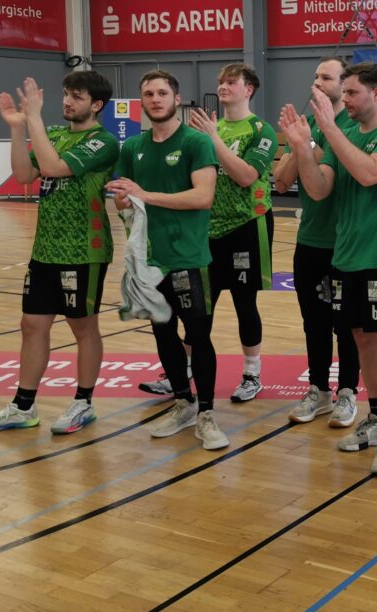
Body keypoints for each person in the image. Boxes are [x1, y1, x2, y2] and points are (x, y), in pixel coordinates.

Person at [280, 62, 377, 475]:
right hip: (346, 256)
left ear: (375, 93)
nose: (346, 100)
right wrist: (302, 147)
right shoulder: (348, 136)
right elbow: (319, 188)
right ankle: (374, 416)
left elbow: (369, 173)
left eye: (352, 93)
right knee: (360, 339)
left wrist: (328, 128)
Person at [0, 72, 118, 435]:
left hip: (83, 251)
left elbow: (56, 168)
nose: (67, 101)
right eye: (66, 94)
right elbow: (25, 174)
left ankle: (83, 402)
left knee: (82, 327)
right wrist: (17, 127)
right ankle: (23, 406)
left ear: (96, 105)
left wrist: (34, 118)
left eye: (77, 96)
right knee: (31, 326)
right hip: (45, 249)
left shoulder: (102, 142)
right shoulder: (53, 133)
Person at [107, 70, 229, 451]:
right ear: (142, 101)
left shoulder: (195, 142)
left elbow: (202, 197)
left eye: (162, 93)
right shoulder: (133, 148)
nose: (155, 99)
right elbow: (124, 200)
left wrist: (145, 194)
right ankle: (183, 402)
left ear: (177, 99)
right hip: (149, 261)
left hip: (189, 258)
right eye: (148, 94)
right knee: (163, 333)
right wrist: (124, 199)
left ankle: (207, 413)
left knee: (198, 336)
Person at [273, 57, 361, 428]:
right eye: (315, 76)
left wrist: (307, 141)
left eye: (326, 77)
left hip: (346, 242)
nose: (317, 82)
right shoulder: (305, 126)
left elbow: (339, 171)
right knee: (314, 322)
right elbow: (280, 181)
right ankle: (318, 390)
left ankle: (348, 392)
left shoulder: (353, 125)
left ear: (345, 84)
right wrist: (297, 144)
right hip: (310, 239)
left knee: (347, 324)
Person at [185, 63, 278, 403]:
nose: (223, 86)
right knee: (199, 303)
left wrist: (212, 138)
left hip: (247, 225)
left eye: (231, 82)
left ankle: (252, 374)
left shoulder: (261, 130)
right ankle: (183, 369)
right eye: (220, 81)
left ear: (248, 89)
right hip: (209, 227)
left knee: (244, 302)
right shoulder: (211, 128)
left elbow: (246, 175)